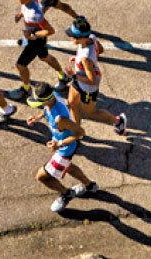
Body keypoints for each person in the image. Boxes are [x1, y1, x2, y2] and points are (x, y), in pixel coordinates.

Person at [25, 81, 97, 213]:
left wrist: (59, 144)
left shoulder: (60, 118)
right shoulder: (54, 95)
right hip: (63, 146)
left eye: (39, 102)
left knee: (42, 177)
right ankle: (90, 186)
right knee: (68, 167)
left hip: (65, 149)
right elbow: (46, 109)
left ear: (46, 100)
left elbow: (81, 133)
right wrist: (37, 118)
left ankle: (66, 194)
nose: (39, 105)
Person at [6, 0, 69, 103]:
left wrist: (33, 35)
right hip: (37, 39)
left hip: (35, 41)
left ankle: (26, 89)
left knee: (20, 65)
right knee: (45, 57)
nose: (18, 0)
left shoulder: (35, 15)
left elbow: (50, 31)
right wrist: (20, 14)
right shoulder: (30, 1)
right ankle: (63, 76)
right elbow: (25, 9)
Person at [64, 17, 128, 135]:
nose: (71, 38)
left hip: (88, 87)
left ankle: (118, 121)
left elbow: (92, 80)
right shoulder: (92, 37)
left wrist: (74, 74)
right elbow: (100, 50)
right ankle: (76, 131)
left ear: (82, 38)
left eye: (74, 36)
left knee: (90, 113)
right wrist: (78, 60)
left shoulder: (85, 58)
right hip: (80, 79)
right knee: (72, 103)